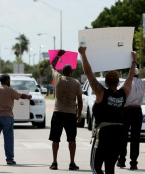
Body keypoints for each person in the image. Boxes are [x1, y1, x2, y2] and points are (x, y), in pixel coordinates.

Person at [78, 46, 136, 174]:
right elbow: (130, 78)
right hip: (119, 134)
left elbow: (88, 73)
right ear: (117, 81)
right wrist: (134, 61)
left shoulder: (101, 93)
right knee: (110, 168)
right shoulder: (124, 93)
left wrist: (83, 54)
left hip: (104, 134)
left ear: (106, 81)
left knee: (96, 167)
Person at [48, 50, 83, 170]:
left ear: (63, 72)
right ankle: (72, 163)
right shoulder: (76, 83)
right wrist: (79, 115)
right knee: (72, 139)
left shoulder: (58, 78)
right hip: (70, 115)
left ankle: (54, 162)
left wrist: (58, 55)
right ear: (71, 72)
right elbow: (80, 100)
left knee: (55, 139)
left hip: (58, 113)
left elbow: (51, 66)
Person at [0, 74, 32, 166]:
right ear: (7, 80)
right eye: (9, 80)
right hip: (7, 116)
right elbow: (20, 96)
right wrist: (28, 97)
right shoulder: (10, 90)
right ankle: (9, 159)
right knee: (8, 139)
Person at [117, 66, 145, 170]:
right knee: (135, 138)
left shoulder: (124, 84)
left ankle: (121, 160)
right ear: (138, 74)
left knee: (123, 137)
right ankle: (133, 163)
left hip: (125, 111)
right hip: (137, 111)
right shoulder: (142, 82)